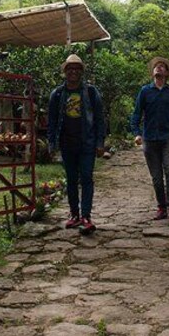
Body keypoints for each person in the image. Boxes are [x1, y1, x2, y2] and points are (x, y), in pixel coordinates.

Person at [48, 54, 106, 235]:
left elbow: (99, 119)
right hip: (67, 143)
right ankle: (74, 214)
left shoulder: (90, 92)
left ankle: (86, 216)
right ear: (65, 72)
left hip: (86, 142)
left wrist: (100, 142)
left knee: (87, 178)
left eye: (77, 68)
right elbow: (52, 120)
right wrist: (51, 143)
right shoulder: (57, 94)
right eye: (70, 68)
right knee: (71, 180)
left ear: (81, 72)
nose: (73, 71)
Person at [130, 56, 169, 221]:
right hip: (149, 139)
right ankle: (161, 207)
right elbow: (136, 114)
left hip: (168, 138)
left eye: (162, 66)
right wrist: (136, 133)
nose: (159, 68)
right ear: (153, 72)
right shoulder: (145, 91)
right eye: (156, 66)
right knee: (156, 176)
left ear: (167, 72)